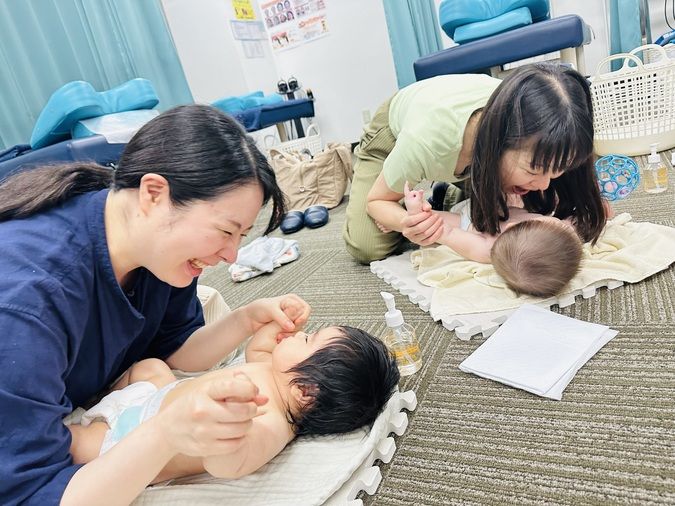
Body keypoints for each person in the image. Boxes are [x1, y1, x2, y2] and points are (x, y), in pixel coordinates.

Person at [0, 104, 314, 505]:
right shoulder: (26, 303)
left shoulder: (157, 254)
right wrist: (164, 435)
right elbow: (34, 492)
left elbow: (175, 346)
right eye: (224, 231)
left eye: (242, 236)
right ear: (153, 193)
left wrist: (245, 320)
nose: (232, 255)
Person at [67, 322, 400, 483]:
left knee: (75, 444)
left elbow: (227, 464)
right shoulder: (275, 374)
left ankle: (82, 428)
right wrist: (264, 342)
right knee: (150, 367)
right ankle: (101, 401)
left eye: (309, 339)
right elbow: (254, 358)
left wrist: (230, 424)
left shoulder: (271, 424)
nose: (301, 334)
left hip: (133, 441)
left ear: (306, 391)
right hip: (157, 398)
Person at [343, 63, 608, 264]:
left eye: (557, 171)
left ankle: (448, 195)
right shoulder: (427, 141)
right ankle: (431, 193)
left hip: (467, 150)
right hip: (391, 133)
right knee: (367, 246)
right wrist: (405, 222)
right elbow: (376, 202)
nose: (542, 184)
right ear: (499, 142)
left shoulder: (534, 125)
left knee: (525, 211)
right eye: (534, 170)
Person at [404, 184, 583, 297]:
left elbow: (445, 232)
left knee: (435, 219)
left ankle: (425, 204)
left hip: (470, 220)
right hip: (497, 201)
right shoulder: (553, 233)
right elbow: (567, 230)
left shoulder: (484, 248)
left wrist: (416, 211)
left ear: (513, 226)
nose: (560, 223)